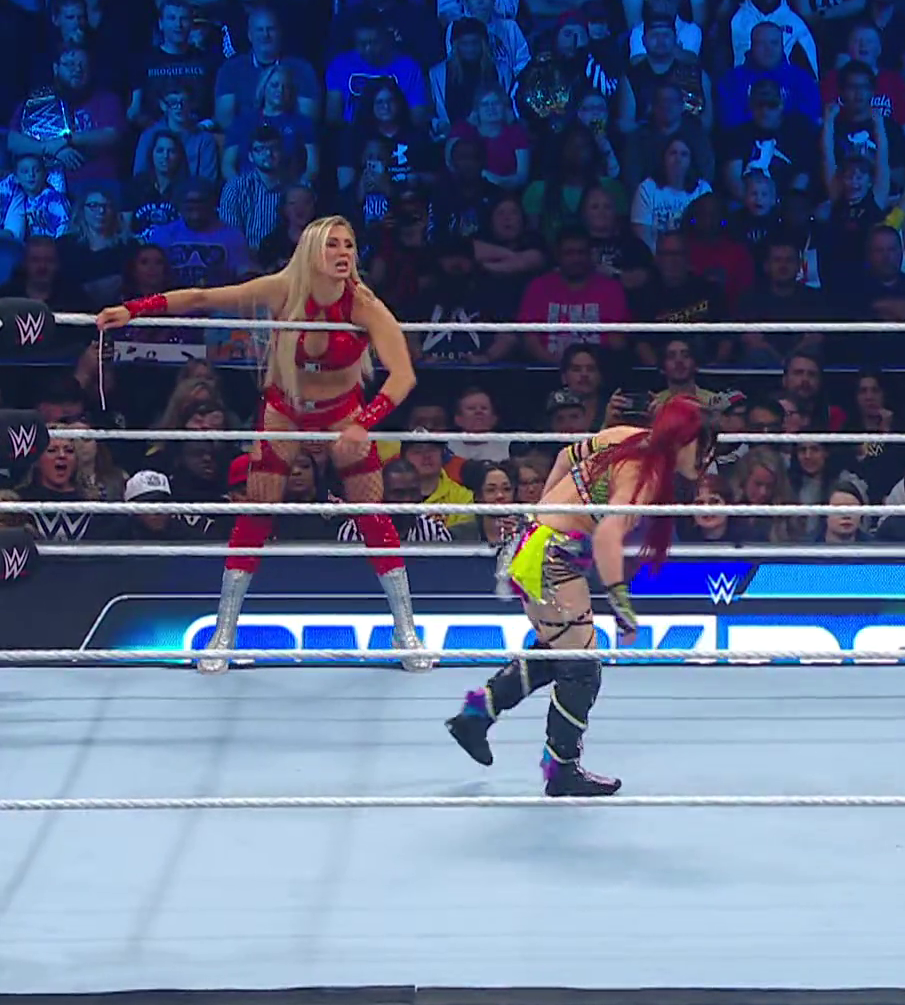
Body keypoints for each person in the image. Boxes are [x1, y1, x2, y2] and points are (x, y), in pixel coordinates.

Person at [96, 215, 422, 675]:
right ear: (311, 251)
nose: (343, 253)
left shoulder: (364, 304)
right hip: (286, 406)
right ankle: (224, 634)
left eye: (349, 244)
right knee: (257, 511)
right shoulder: (283, 289)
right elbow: (203, 298)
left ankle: (405, 632)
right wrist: (134, 309)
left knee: (372, 512)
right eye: (332, 245)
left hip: (343, 410)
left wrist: (363, 425)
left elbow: (403, 375)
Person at [445, 397, 709, 797]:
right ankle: (562, 769)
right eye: (704, 445)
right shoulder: (644, 473)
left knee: (557, 654)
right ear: (686, 440)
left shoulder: (625, 436)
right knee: (582, 668)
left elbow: (566, 457)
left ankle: (476, 716)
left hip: (536, 544)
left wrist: (542, 512)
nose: (707, 458)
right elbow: (608, 534)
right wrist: (620, 603)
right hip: (552, 556)